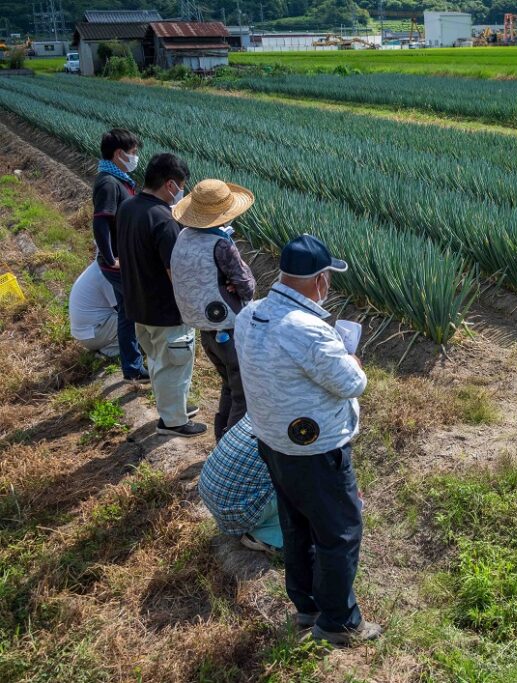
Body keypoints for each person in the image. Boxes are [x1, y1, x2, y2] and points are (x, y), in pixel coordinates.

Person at [235, 234, 381, 646]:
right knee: (340, 532)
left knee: (296, 522)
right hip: (316, 452)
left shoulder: (251, 314)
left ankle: (306, 605)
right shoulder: (309, 331)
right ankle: (339, 621)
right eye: (328, 278)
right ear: (320, 281)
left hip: (272, 440)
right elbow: (353, 383)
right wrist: (351, 358)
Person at [116, 153, 206, 437]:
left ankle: (173, 407)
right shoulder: (164, 220)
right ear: (169, 184)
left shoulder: (128, 207)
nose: (182, 191)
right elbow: (175, 274)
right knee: (174, 366)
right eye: (181, 185)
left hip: (139, 304)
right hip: (166, 311)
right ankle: (173, 422)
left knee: (157, 361)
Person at [171, 179, 256, 441]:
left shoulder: (184, 236)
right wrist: (234, 283)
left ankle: (221, 439)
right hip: (230, 330)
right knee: (243, 393)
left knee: (229, 385)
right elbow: (247, 286)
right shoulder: (221, 244)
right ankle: (231, 449)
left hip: (206, 331)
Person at [93, 128, 148, 382]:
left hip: (120, 259)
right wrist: (110, 257)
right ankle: (142, 364)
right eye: (133, 152)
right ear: (118, 154)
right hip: (118, 263)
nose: (136, 157)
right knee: (140, 307)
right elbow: (101, 222)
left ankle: (133, 367)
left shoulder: (118, 178)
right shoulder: (108, 182)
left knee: (126, 312)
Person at [198, 414, 282, 554]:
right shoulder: (305, 423)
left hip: (212, 493)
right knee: (313, 477)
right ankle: (269, 536)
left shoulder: (266, 405)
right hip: (237, 512)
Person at [68, 261, 119, 357]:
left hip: (87, 333)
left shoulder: (98, 267)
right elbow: (121, 307)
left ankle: (109, 345)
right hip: (93, 334)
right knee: (133, 323)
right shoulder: (106, 272)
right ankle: (110, 350)